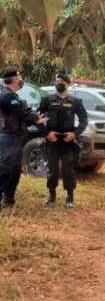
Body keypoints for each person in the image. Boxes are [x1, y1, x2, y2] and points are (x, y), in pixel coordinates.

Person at [0, 66, 47, 210]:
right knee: (4, 170)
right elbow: (20, 113)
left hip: (16, 138)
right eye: (19, 77)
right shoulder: (7, 96)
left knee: (15, 171)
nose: (21, 79)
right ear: (14, 79)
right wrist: (35, 118)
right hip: (8, 138)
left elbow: (24, 111)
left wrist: (35, 117)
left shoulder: (14, 96)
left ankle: (9, 200)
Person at [39, 71, 87, 209]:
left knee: (68, 169)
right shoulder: (47, 101)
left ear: (68, 84)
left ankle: (70, 197)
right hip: (52, 139)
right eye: (56, 80)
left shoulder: (75, 102)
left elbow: (84, 121)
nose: (58, 83)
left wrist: (75, 134)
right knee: (52, 169)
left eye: (61, 81)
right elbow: (39, 119)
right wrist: (47, 133)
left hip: (68, 140)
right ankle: (52, 195)